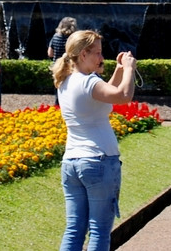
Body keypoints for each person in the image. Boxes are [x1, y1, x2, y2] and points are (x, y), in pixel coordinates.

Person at [53, 29, 138, 251]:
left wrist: (119, 70)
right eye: (98, 53)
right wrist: (129, 69)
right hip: (98, 161)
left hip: (72, 162)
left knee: (74, 229)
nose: (102, 58)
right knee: (99, 230)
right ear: (83, 55)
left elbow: (105, 94)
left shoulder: (66, 81)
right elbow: (123, 96)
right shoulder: (89, 82)